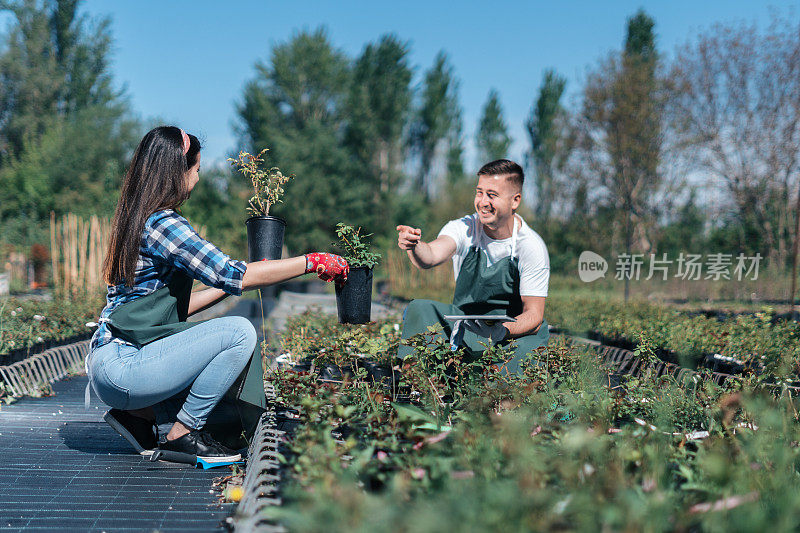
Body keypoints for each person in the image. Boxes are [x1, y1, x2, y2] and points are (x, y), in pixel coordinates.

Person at [89, 125, 349, 464]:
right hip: (125, 369)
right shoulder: (164, 224)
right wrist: (311, 262)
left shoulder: (135, 220)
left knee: (202, 337)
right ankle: (183, 433)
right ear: (176, 172)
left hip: (111, 364)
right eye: (196, 169)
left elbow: (179, 308)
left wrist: (251, 276)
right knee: (239, 333)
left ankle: (139, 418)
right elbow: (232, 275)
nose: (197, 179)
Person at [396, 159, 549, 374]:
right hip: (465, 327)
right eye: (479, 192)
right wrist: (414, 245)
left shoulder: (531, 246)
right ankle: (420, 386)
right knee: (420, 308)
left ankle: (503, 399)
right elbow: (430, 255)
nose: (483, 202)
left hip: (510, 334)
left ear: (515, 201)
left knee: (529, 349)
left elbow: (534, 315)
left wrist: (501, 331)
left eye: (492, 195)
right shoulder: (464, 229)